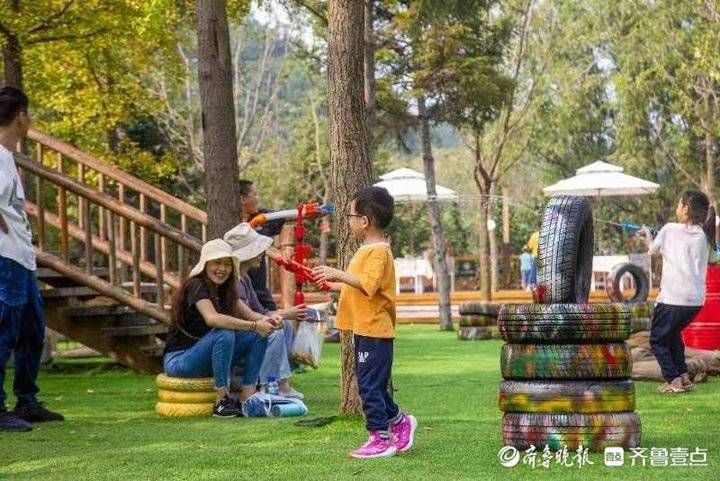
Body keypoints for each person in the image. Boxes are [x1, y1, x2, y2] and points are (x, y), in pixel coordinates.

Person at [312, 186, 417, 459]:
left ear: (365, 221)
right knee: (374, 384)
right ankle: (399, 422)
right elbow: (360, 287)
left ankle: (380, 438)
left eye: (350, 215)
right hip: (365, 328)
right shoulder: (367, 250)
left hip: (374, 330)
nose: (348, 220)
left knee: (369, 386)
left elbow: (367, 285)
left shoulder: (379, 252)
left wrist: (338, 273)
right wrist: (334, 284)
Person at [0, 87, 63, 432]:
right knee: (4, 331)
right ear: (20, 116)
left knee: (32, 330)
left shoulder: (8, 157)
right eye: (28, 115)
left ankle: (27, 400)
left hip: (22, 258)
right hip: (5, 257)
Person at [164, 239, 281, 418]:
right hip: (180, 360)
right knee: (224, 333)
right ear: (205, 264)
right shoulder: (196, 285)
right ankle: (222, 401)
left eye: (227, 264)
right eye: (217, 263)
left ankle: (247, 395)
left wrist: (271, 320)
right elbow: (212, 319)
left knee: (258, 335)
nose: (222, 269)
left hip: (207, 357)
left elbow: (251, 315)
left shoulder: (227, 289)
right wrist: (255, 325)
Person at [640, 191, 719, 394]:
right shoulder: (704, 235)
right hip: (695, 301)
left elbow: (652, 251)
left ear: (685, 208)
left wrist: (648, 236)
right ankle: (683, 375)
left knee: (657, 340)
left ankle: (673, 379)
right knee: (673, 334)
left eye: (678, 204)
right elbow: (713, 259)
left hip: (672, 298)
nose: (676, 208)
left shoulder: (668, 229)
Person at [224, 223, 306, 399]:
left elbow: (260, 310)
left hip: (251, 329)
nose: (262, 254)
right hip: (239, 336)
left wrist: (283, 314)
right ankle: (271, 384)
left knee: (286, 327)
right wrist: (278, 316)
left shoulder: (244, 278)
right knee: (273, 332)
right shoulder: (232, 282)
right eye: (258, 250)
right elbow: (244, 316)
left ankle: (279, 383)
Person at [238, 179, 285, 311]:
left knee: (274, 316)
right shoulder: (232, 224)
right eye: (255, 194)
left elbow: (282, 218)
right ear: (243, 199)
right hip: (240, 284)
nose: (258, 199)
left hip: (259, 288)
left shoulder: (262, 218)